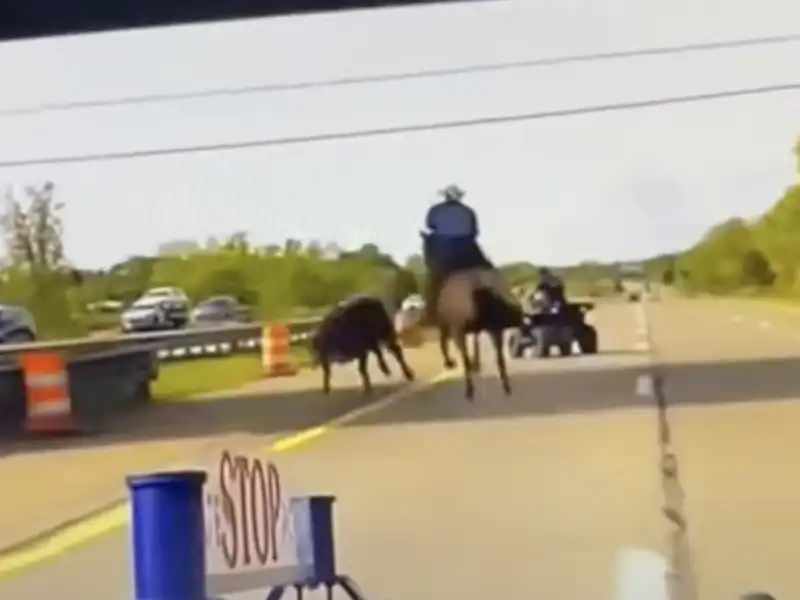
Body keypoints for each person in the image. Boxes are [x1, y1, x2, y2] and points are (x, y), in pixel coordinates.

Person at [422, 184, 516, 314]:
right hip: (468, 250)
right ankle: (510, 304)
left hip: (444, 252)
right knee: (490, 270)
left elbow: (429, 225)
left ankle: (430, 311)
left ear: (446, 196)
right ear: (460, 197)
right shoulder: (469, 211)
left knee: (434, 279)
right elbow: (474, 232)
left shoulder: (435, 210)